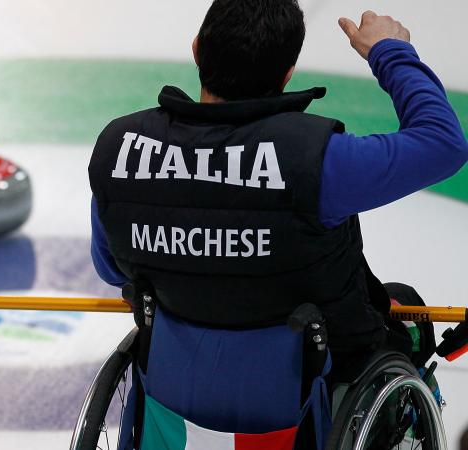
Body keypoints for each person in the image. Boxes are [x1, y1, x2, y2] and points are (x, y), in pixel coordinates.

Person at [88, 1, 468, 448]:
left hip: (177, 373)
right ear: (288, 73)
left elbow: (113, 267)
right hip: (305, 382)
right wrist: (390, 51)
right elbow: (443, 143)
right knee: (405, 310)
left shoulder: (121, 148)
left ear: (196, 50)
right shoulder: (320, 160)